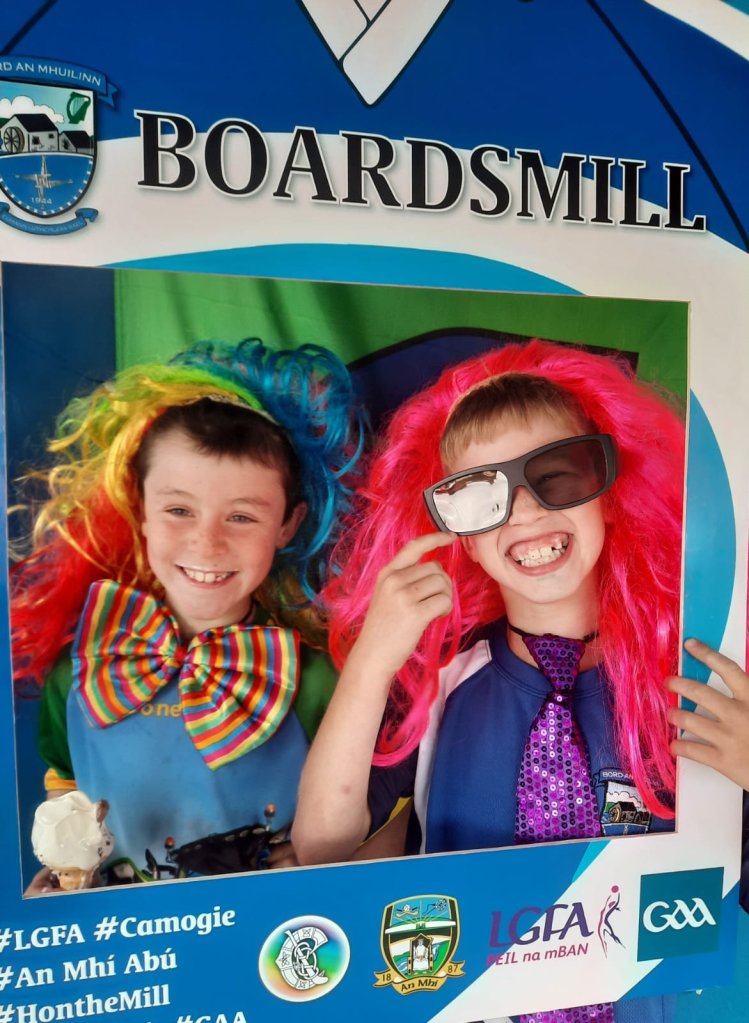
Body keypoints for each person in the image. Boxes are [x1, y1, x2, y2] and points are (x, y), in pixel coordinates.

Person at [293, 338, 747, 1022]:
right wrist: (371, 662)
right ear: (461, 537)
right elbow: (321, 846)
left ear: (610, 494)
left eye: (558, 476)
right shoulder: (440, 687)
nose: (524, 510)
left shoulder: (689, 684)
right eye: (481, 496)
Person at [12, 338, 363, 889]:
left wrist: (312, 868)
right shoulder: (78, 670)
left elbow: (352, 826)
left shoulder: (320, 680)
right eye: (179, 509)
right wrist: (64, 878)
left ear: (288, 525)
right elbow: (66, 780)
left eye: (241, 517)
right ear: (140, 508)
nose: (207, 542)